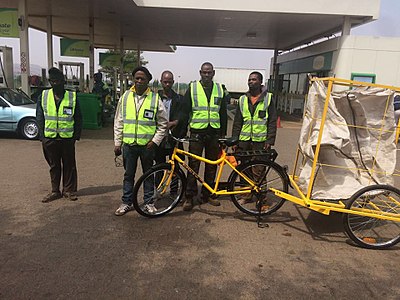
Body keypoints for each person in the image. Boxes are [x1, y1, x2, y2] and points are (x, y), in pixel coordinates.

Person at [114, 66, 168, 216]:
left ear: (148, 81)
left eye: (142, 79)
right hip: (129, 145)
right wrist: (117, 143)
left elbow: (163, 123)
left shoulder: (155, 98)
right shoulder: (125, 97)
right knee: (128, 175)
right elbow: (119, 121)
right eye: (136, 78)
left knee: (148, 175)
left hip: (147, 146)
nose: (138, 81)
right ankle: (126, 202)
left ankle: (149, 203)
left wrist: (155, 141)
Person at [182, 62, 229, 211]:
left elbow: (223, 114)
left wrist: (223, 136)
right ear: (200, 72)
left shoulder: (219, 89)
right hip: (197, 133)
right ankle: (189, 196)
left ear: (213, 73)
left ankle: (208, 194)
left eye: (209, 73)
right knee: (193, 165)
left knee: (212, 165)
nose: (207, 75)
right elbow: (185, 112)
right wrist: (181, 132)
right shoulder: (193, 88)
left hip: (214, 134)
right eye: (204, 72)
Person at [36, 67, 82, 202]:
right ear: (50, 82)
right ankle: (55, 191)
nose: (55, 83)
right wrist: (42, 137)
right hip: (49, 139)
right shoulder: (43, 96)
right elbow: (39, 117)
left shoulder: (72, 96)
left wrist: (76, 136)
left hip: (67, 139)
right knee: (54, 166)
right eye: (53, 81)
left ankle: (68, 190)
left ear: (63, 81)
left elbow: (78, 117)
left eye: (58, 81)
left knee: (69, 165)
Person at [231, 71, 277, 204]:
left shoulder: (268, 98)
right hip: (244, 141)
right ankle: (246, 195)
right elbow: (237, 122)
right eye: (249, 80)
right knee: (244, 170)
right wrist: (235, 140)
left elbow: (272, 121)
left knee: (259, 170)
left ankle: (261, 199)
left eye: (254, 80)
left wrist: (270, 140)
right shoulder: (242, 99)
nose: (251, 82)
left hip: (260, 141)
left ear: (260, 82)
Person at [155, 70, 188, 165]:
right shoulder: (154, 99)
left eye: (169, 82)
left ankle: (175, 180)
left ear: (173, 82)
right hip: (159, 138)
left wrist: (176, 122)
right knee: (158, 165)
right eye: (165, 82)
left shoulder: (180, 99)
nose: (167, 84)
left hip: (174, 138)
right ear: (161, 81)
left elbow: (184, 116)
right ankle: (159, 180)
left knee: (174, 167)